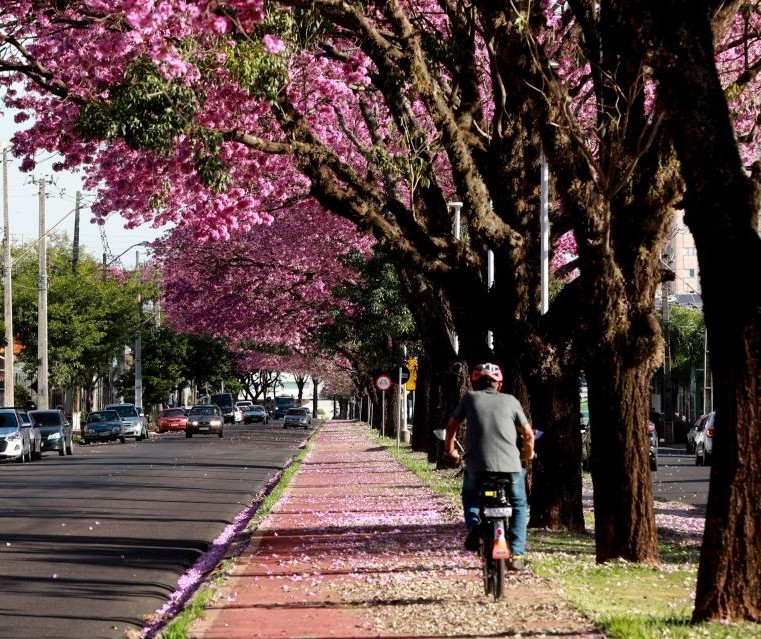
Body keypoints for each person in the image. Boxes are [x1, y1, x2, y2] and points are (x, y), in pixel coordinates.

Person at [444, 362, 535, 570]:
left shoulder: (469, 398)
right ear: (499, 384)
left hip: (477, 465)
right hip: (510, 466)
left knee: (470, 495)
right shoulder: (511, 401)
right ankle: (518, 554)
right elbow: (528, 435)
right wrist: (526, 455)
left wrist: (451, 451)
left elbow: (451, 428)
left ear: (475, 383)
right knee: (519, 504)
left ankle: (475, 526)